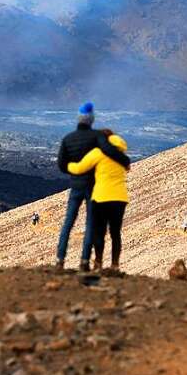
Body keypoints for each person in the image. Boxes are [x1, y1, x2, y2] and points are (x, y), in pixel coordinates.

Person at [55, 102, 131, 272]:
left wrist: (71, 169)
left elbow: (66, 164)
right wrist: (125, 161)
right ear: (91, 119)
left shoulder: (68, 138)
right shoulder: (97, 138)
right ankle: (87, 261)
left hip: (81, 187)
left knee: (69, 222)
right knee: (95, 226)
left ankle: (61, 258)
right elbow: (109, 151)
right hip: (102, 190)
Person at [67, 129, 131, 273]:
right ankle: (115, 265)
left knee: (99, 232)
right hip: (120, 198)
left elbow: (79, 168)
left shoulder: (98, 152)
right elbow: (127, 169)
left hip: (101, 196)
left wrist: (67, 164)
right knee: (115, 233)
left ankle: (98, 263)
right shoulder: (121, 155)